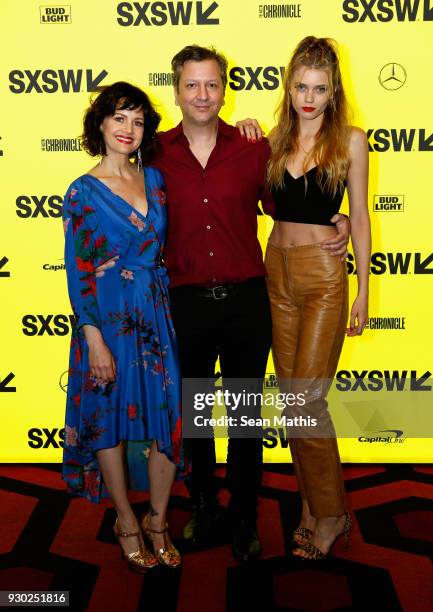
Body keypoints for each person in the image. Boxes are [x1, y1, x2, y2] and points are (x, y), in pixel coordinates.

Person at [96, 46, 351, 562]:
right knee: (194, 418)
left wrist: (338, 221)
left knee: (244, 419)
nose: (203, 95)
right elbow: (119, 202)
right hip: (183, 305)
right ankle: (206, 505)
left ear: (224, 88)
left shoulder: (253, 148)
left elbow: (290, 203)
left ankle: (244, 517)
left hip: (247, 303)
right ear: (177, 91)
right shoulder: (155, 153)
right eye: (192, 85)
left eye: (212, 84)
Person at [241, 36, 370, 560]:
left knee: (305, 400)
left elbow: (358, 215)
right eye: (300, 86)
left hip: (322, 276)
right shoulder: (273, 139)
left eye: (319, 88)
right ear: (289, 87)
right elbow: (241, 189)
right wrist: (245, 132)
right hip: (277, 272)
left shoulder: (351, 141)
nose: (308, 97)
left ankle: (332, 515)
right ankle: (315, 508)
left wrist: (364, 289)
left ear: (333, 89)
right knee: (293, 404)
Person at [62, 81, 184, 572]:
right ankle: (126, 520)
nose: (128, 129)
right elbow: (78, 270)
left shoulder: (154, 180)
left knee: (167, 419)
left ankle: (158, 519)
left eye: (137, 120)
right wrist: (94, 340)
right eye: (119, 117)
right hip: (107, 323)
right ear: (101, 125)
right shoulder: (82, 191)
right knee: (108, 418)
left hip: (156, 316)